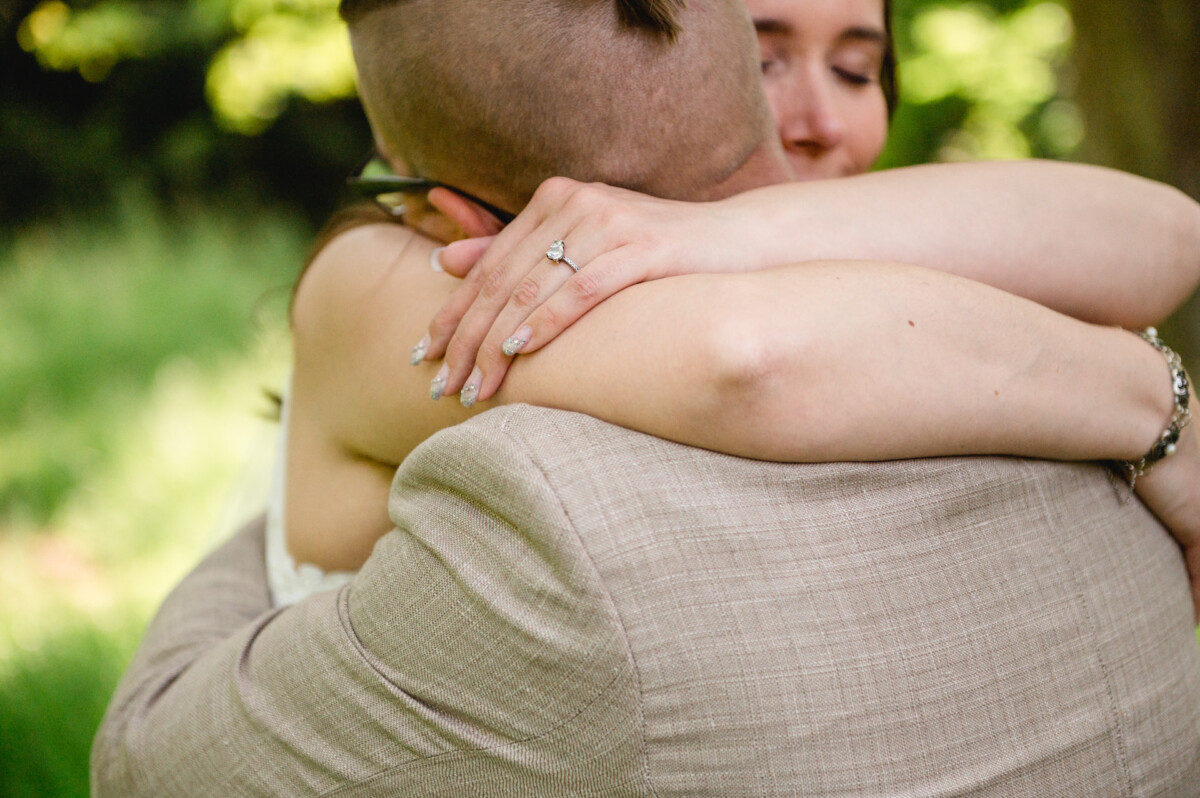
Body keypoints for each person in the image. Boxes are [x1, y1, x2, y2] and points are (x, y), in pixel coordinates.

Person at [93, 1, 1200, 794]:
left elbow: (1168, 235)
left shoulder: (687, 229)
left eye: (856, 67)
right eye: (768, 59)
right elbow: (745, 354)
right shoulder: (402, 284)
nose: (808, 135)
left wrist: (728, 229)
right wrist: (1151, 405)